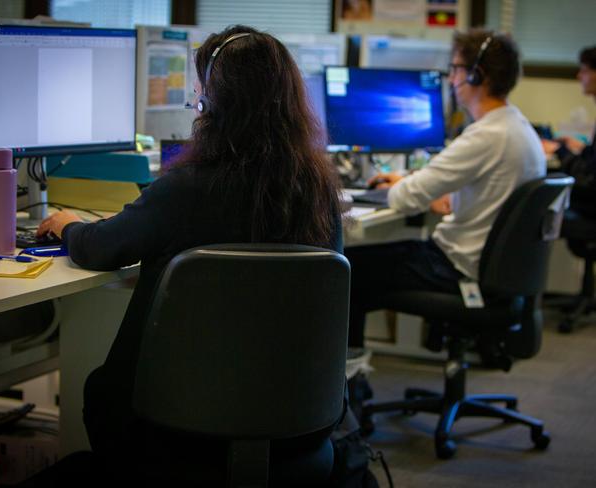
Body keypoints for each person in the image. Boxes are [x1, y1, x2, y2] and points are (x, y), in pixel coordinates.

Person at [37, 25, 342, 481]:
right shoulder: (319, 196)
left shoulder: (184, 190)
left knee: (99, 389)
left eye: (199, 92)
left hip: (168, 429)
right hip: (297, 426)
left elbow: (99, 249)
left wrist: (67, 225)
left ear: (211, 104)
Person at [345, 29, 546, 347]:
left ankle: (346, 386)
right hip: (492, 272)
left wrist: (404, 185)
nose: (451, 79)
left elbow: (405, 198)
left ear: (476, 76)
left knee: (346, 271)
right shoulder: (519, 128)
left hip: (456, 270)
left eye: (455, 69)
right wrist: (436, 193)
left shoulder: (485, 135)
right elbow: (492, 195)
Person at [542, 46, 596, 221]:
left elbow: (588, 181)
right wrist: (583, 148)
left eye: (585, 70)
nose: (579, 76)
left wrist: (559, 150)